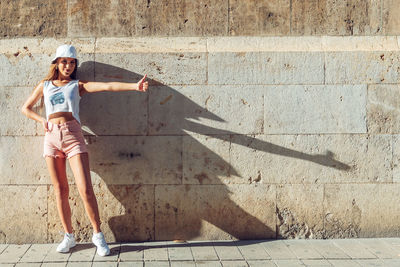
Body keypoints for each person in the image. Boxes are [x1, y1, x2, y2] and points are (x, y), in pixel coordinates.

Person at [20, 44, 149, 256]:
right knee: (60, 190)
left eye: (72, 63)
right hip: (51, 137)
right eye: (64, 62)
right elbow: (25, 108)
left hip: (73, 136)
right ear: (56, 63)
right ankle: (68, 236)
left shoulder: (77, 85)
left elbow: (106, 87)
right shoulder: (44, 85)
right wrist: (41, 120)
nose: (68, 66)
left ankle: (98, 235)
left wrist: (134, 87)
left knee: (85, 189)